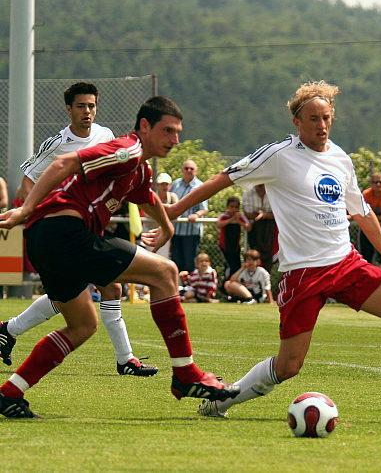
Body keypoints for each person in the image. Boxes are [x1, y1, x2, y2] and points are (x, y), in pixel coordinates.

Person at [165, 80, 381, 422]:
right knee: (289, 365)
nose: (321, 125)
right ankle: (221, 401)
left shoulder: (340, 158)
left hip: (346, 263)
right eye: (313, 119)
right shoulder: (278, 155)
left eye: (326, 118)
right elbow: (221, 179)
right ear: (297, 122)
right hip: (303, 274)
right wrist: (173, 212)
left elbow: (361, 211)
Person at [0, 96, 237, 418]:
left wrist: (166, 226)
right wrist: (26, 209)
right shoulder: (128, 150)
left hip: (46, 240)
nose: (174, 140)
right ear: (145, 126)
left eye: (178, 133)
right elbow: (63, 163)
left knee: (83, 325)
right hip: (65, 232)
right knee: (166, 272)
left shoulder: (138, 169)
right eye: (167, 131)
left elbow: (147, 196)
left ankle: (9, 393)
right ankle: (186, 374)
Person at [1, 81, 156, 378]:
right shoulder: (57, 144)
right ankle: (125, 359)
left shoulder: (105, 136)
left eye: (91, 106)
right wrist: (39, 212)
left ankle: (9, 330)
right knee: (101, 290)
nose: (87, 111)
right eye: (81, 106)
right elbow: (28, 182)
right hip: (64, 229)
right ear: (69, 110)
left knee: (74, 294)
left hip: (89, 227)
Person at [170, 159, 208, 273]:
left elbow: (204, 209)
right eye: (186, 168)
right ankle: (177, 284)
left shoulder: (200, 186)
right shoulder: (175, 184)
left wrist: (196, 215)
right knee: (175, 261)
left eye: (192, 168)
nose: (189, 170)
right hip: (176, 230)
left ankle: (189, 284)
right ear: (182, 170)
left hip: (191, 231)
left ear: (196, 171)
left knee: (189, 263)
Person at [360, 172, 381, 266]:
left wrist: (370, 217)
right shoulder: (366, 194)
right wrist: (376, 218)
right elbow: (362, 214)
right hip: (367, 229)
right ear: (371, 184)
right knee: (366, 258)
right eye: (375, 182)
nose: (378, 184)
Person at [242, 183, 277, 271]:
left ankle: (266, 274)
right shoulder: (248, 192)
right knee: (254, 254)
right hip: (254, 228)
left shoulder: (274, 191)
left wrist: (264, 215)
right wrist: (265, 214)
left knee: (268, 256)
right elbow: (247, 213)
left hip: (270, 228)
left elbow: (278, 212)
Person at [217, 196, 250, 278]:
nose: (233, 209)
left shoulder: (240, 216)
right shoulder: (224, 216)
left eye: (236, 207)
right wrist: (231, 219)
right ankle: (226, 282)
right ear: (227, 206)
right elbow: (219, 224)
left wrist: (238, 221)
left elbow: (248, 227)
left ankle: (234, 282)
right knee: (229, 266)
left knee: (237, 266)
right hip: (224, 246)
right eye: (231, 207)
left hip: (235, 246)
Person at [154, 172, 178, 259]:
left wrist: (158, 210)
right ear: (157, 185)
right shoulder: (152, 196)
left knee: (166, 257)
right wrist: (168, 211)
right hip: (152, 231)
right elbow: (147, 214)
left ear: (170, 185)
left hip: (169, 232)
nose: (164, 186)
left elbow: (177, 213)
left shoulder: (173, 197)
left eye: (166, 184)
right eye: (162, 184)